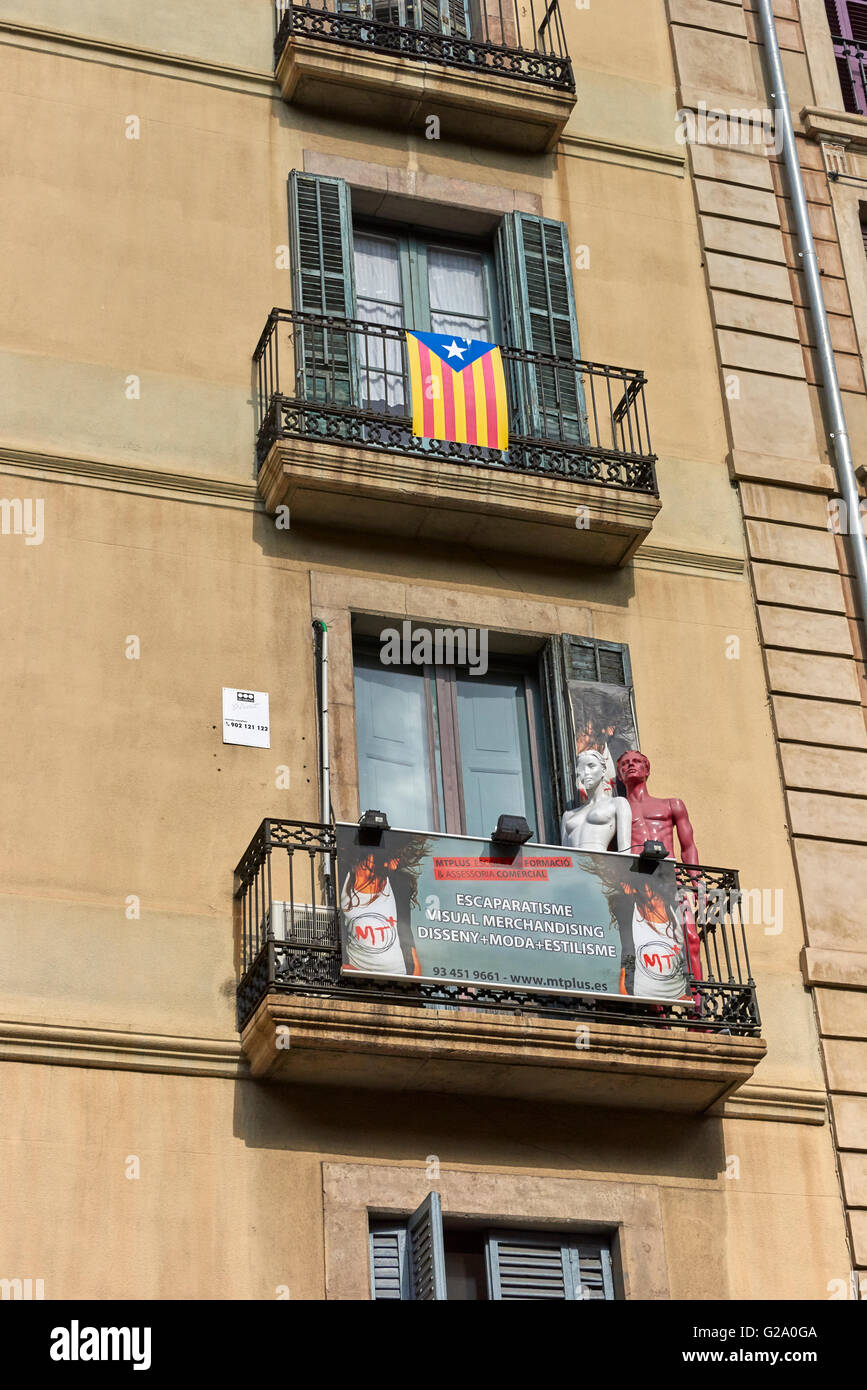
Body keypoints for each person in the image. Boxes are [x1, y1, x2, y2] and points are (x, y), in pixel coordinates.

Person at [340, 837, 428, 977]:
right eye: (392, 856)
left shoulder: (397, 884)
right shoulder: (342, 878)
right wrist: (345, 965)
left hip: (398, 980)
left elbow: (406, 934)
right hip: (358, 979)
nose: (395, 861)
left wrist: (415, 973)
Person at [560, 749, 632, 852]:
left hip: (598, 865)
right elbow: (565, 857)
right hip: (574, 866)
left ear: (603, 770)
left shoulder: (618, 803)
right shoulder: (568, 816)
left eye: (591, 766)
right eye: (581, 768)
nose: (586, 772)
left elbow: (625, 850)